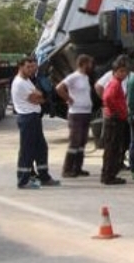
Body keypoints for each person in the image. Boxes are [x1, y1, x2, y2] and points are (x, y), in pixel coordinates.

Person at [11, 56, 60, 188]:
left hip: (33, 117)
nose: (32, 70)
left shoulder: (27, 80)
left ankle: (44, 176)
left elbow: (38, 94)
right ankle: (23, 180)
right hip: (27, 118)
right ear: (21, 67)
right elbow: (36, 98)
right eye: (28, 67)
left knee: (41, 148)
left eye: (33, 67)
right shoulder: (20, 82)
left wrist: (39, 96)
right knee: (27, 150)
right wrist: (40, 97)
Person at [56, 54, 94, 178]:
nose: (91, 66)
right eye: (89, 63)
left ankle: (78, 168)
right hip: (76, 113)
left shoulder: (85, 77)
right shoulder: (74, 77)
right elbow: (59, 88)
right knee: (75, 141)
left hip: (86, 113)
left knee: (82, 141)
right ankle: (67, 169)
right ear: (83, 64)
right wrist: (69, 99)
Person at [100, 57, 130, 185]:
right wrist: (116, 112)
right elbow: (107, 98)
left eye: (125, 71)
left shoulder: (115, 83)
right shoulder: (115, 83)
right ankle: (109, 176)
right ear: (115, 72)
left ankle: (109, 174)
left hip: (116, 119)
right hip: (114, 120)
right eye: (121, 71)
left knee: (113, 149)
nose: (123, 74)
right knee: (112, 149)